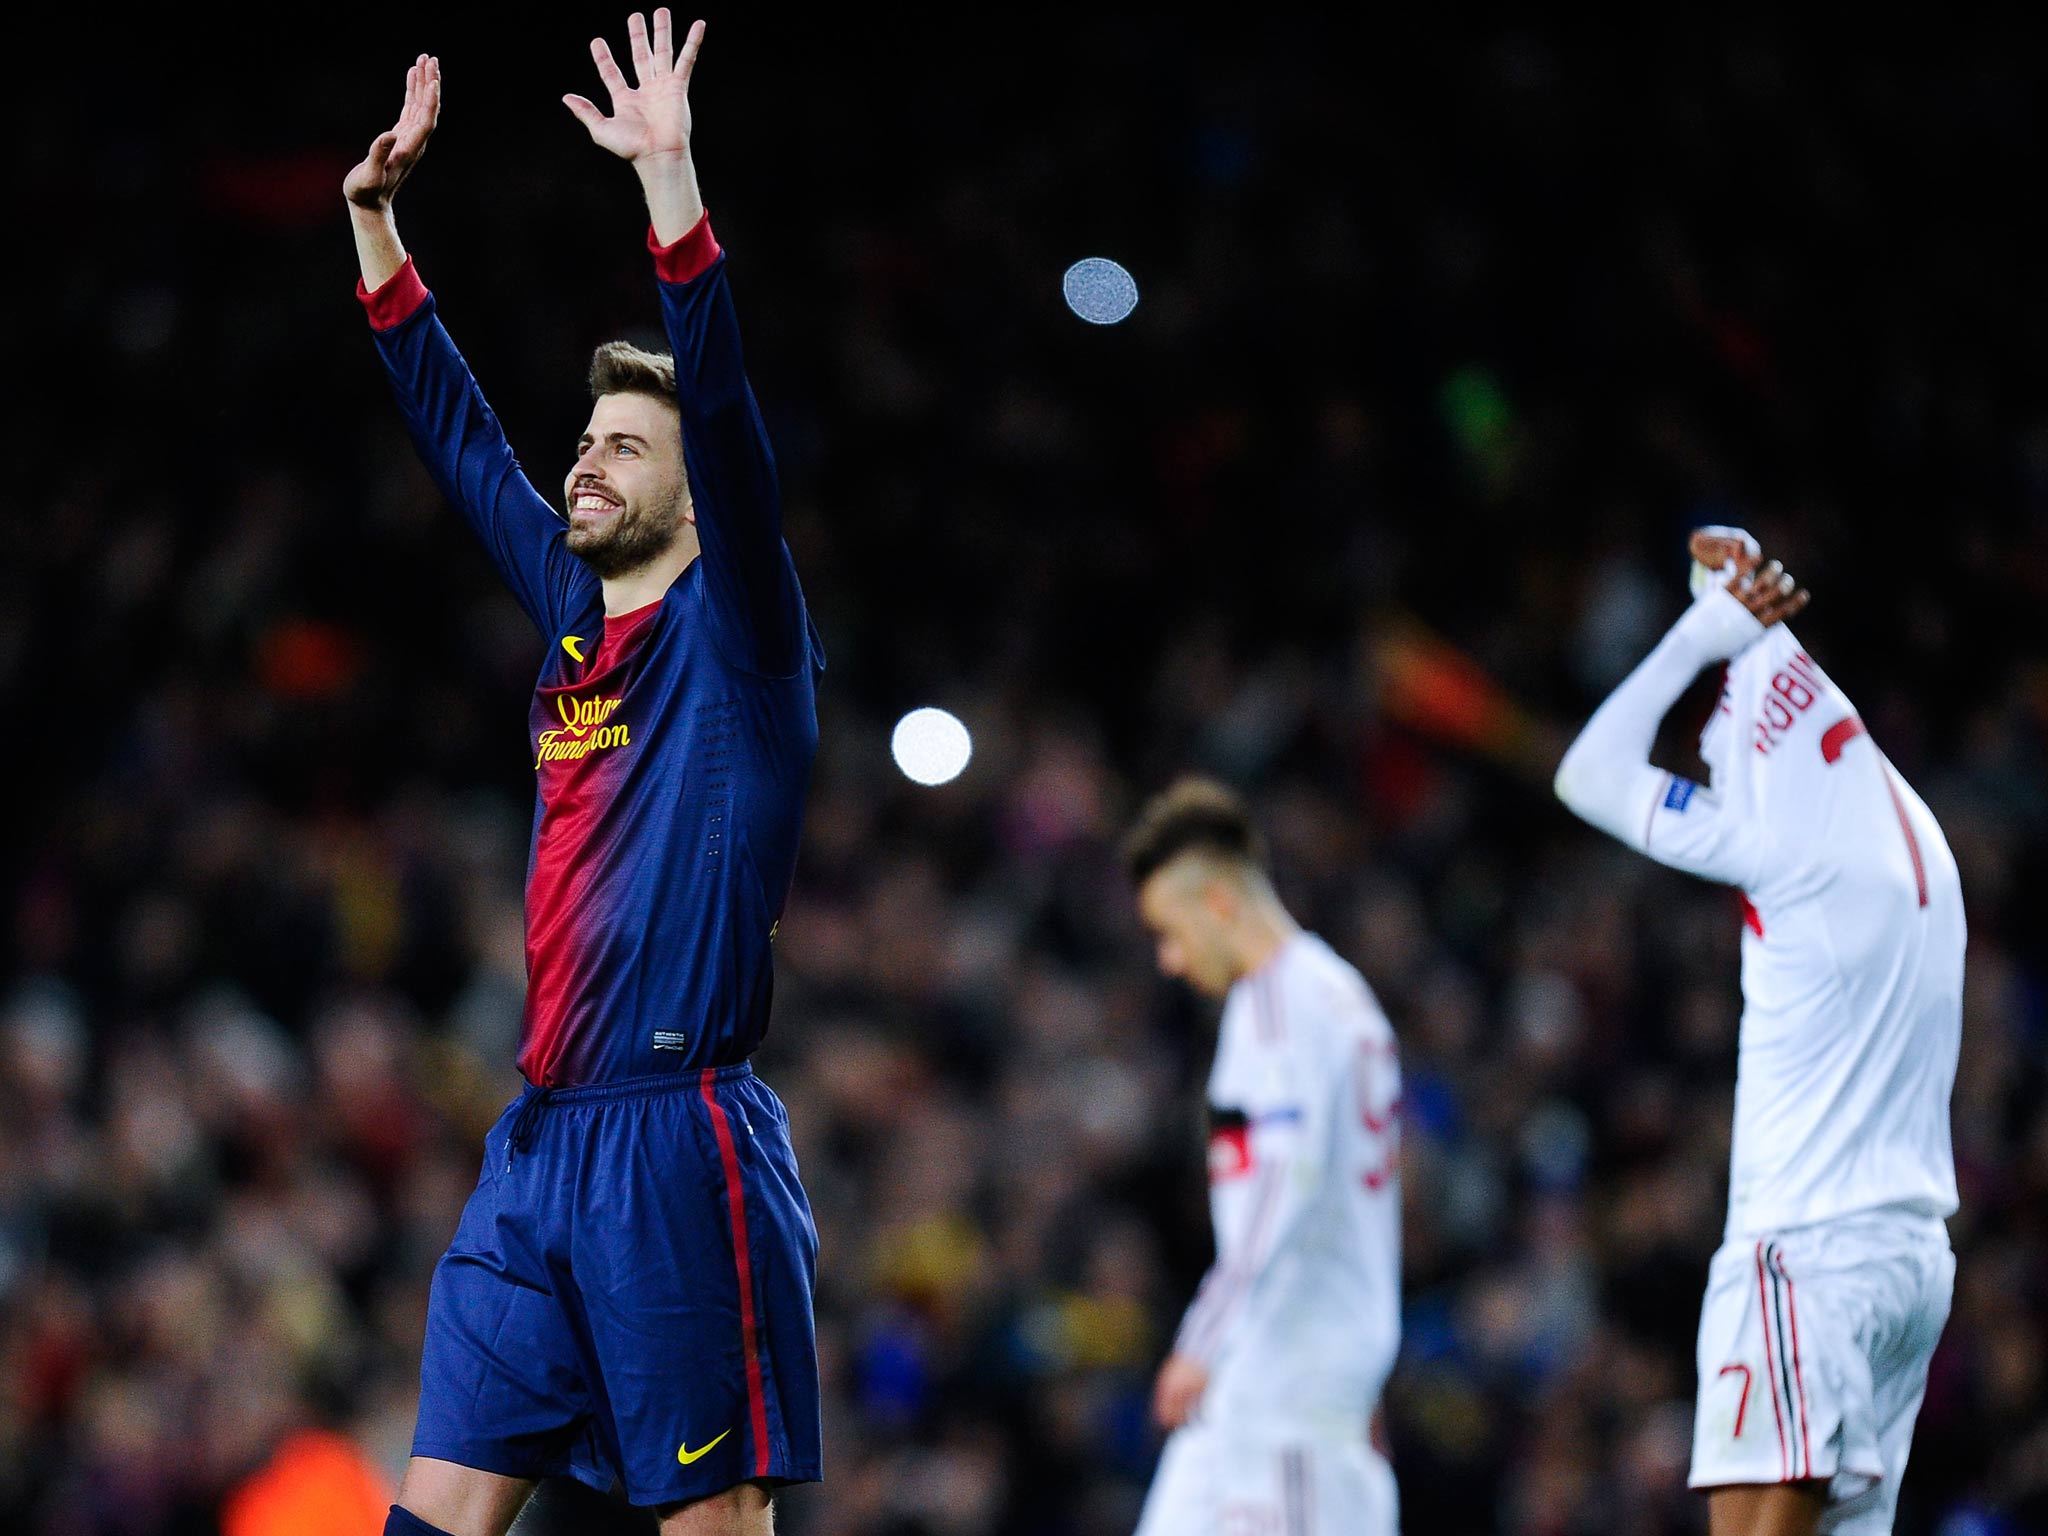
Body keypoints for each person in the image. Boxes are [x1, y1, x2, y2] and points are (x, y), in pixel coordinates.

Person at [343, 15, 825, 1535]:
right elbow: (458, 433)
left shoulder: (738, 636)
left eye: (628, 443)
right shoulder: (572, 625)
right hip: (540, 1146)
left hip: (679, 1138)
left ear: (693, 503)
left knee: (711, 1525)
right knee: (434, 1514)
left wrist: (670, 183)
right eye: (589, 438)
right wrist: (374, 221)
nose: (587, 462)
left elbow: (731, 419)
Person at [1554, 529, 1964, 1536]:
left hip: (1804, 1259)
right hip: (1907, 1268)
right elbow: (1772, 661)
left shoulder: (1781, 844)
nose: (1702, 758)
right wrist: (1728, 580)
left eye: (1712, 740)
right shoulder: (1912, 831)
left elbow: (1586, 774)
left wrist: (1696, 638)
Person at [1123, 780, 1403, 1536]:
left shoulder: (1279, 1006)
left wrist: (1200, 1338)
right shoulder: (1342, 994)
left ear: (1218, 902)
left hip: (1291, 1368)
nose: (1170, 960)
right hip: (1277, 1363)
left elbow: (1283, 1183)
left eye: (1171, 931)